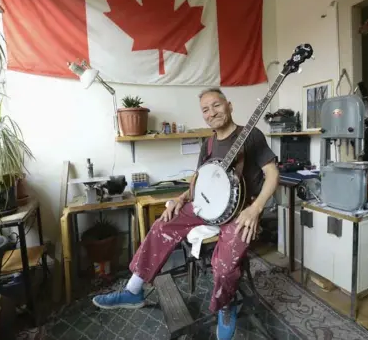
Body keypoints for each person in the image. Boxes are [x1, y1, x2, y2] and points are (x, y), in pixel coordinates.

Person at [92, 88, 279, 340]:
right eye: (205, 109)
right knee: (162, 224)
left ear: (230, 105)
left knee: (223, 267)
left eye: (216, 105)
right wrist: (180, 199)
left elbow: (272, 173)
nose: (212, 112)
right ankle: (134, 290)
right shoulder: (209, 143)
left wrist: (256, 209)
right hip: (207, 206)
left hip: (240, 211)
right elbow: (199, 180)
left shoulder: (251, 135)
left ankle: (226, 305)